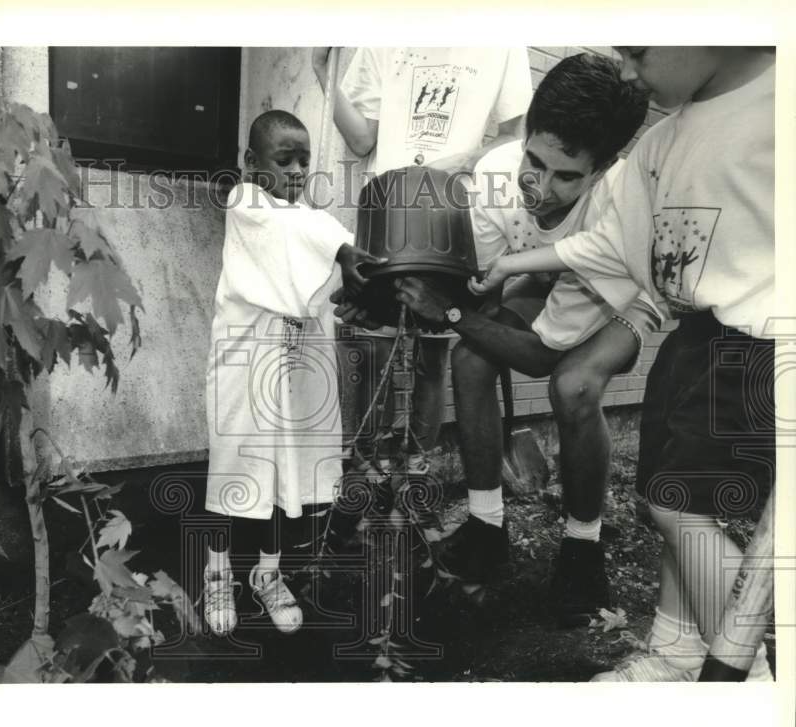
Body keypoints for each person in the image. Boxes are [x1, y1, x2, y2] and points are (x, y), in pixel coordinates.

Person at [469, 47, 776, 680]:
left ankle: (758, 666)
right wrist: (509, 266)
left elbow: (555, 338)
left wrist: (459, 314)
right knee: (665, 496)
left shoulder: (776, 107)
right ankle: (675, 649)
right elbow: (609, 244)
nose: (629, 72)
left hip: (757, 336)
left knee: (676, 507)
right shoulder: (662, 142)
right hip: (696, 331)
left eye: (638, 52)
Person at [378, 53, 658, 625]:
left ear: (602, 169)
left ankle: (583, 547)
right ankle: (486, 527)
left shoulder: (614, 210)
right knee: (471, 359)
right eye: (535, 162)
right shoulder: (499, 175)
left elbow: (538, 356)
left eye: (566, 176)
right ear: (525, 136)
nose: (542, 188)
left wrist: (452, 312)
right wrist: (399, 293)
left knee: (574, 386)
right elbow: (479, 289)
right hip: (544, 274)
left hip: (626, 289)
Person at [204, 109, 382, 636]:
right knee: (235, 468)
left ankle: (267, 573)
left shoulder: (308, 217)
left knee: (289, 470)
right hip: (244, 358)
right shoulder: (246, 203)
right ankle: (217, 574)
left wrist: (352, 265)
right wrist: (343, 249)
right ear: (251, 163)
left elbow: (317, 232)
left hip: (297, 359)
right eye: (285, 160)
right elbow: (303, 234)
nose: (298, 170)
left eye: (305, 160)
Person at [312, 47, 532, 470]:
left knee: (432, 358)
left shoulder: (501, 34)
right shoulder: (385, 27)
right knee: (370, 351)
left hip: (445, 214)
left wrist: (464, 161)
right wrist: (322, 70)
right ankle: (366, 482)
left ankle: (417, 483)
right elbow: (362, 139)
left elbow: (515, 135)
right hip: (385, 213)